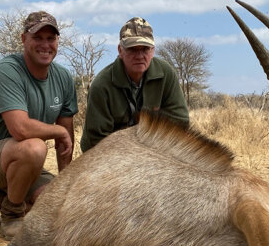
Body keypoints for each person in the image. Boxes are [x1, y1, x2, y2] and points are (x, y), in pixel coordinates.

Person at [0, 11, 78, 240]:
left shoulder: (64, 77)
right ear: (24, 39)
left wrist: (66, 187)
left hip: (21, 159)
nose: (45, 45)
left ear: (57, 42)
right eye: (38, 38)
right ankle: (12, 214)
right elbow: (21, 130)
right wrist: (57, 131)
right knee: (35, 147)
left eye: (50, 38)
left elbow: (66, 142)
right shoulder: (8, 70)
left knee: (54, 206)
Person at [80, 17, 189, 152]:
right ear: (120, 50)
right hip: (113, 154)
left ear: (153, 50)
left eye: (145, 49)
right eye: (132, 49)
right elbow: (95, 140)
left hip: (155, 149)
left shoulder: (166, 74)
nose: (139, 55)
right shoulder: (101, 85)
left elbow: (180, 121)